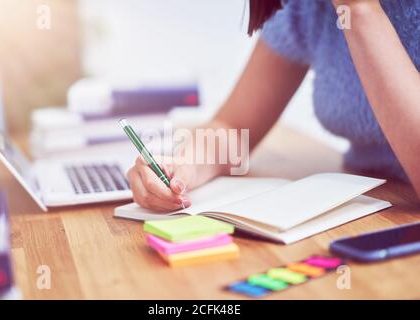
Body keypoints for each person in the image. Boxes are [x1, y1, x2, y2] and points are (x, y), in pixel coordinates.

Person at [126, 0, 420, 212]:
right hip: (372, 205)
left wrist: (361, 9)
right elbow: (232, 128)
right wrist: (182, 168)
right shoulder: (309, 7)